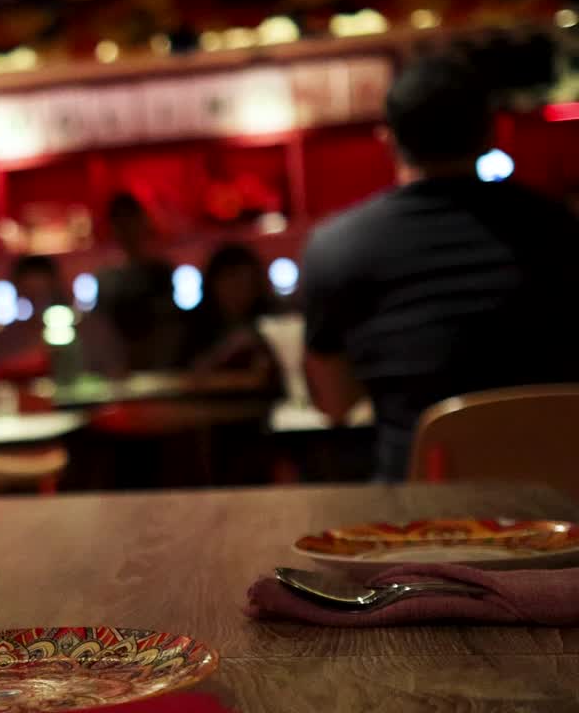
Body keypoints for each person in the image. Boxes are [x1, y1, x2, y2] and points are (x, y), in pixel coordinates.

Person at [301, 53, 579, 481]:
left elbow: (334, 402)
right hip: (559, 507)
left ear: (389, 139)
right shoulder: (560, 229)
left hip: (417, 518)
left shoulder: (335, 246)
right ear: (490, 134)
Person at [94, 193, 183, 372]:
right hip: (118, 370)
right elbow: (101, 331)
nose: (127, 229)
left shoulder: (161, 270)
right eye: (120, 223)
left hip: (160, 367)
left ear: (143, 222)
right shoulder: (106, 278)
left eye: (130, 221)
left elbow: (170, 326)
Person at [178, 244, 282, 393]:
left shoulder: (270, 322)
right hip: (207, 406)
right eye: (232, 283)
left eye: (247, 283)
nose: (240, 292)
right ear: (213, 284)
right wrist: (228, 348)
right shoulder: (196, 325)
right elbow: (184, 375)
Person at [0, 255, 66, 380]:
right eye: (31, 293)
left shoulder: (74, 330)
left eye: (41, 294)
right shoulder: (6, 337)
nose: (37, 302)